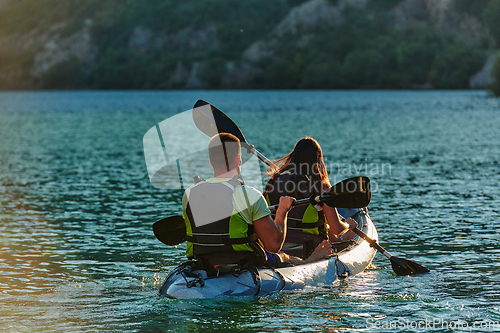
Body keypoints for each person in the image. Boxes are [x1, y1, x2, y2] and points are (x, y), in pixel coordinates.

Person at [182, 133, 295, 275]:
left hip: (204, 267)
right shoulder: (250, 195)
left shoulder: (190, 194)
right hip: (241, 268)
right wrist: (282, 212)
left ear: (211, 161)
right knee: (283, 257)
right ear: (237, 159)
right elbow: (273, 245)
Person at [264, 137, 357, 260]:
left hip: (277, 246)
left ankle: (341, 241)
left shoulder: (273, 181)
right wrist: (348, 225)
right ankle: (341, 241)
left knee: (322, 221)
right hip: (310, 248)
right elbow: (336, 228)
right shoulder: (322, 187)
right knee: (329, 224)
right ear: (317, 160)